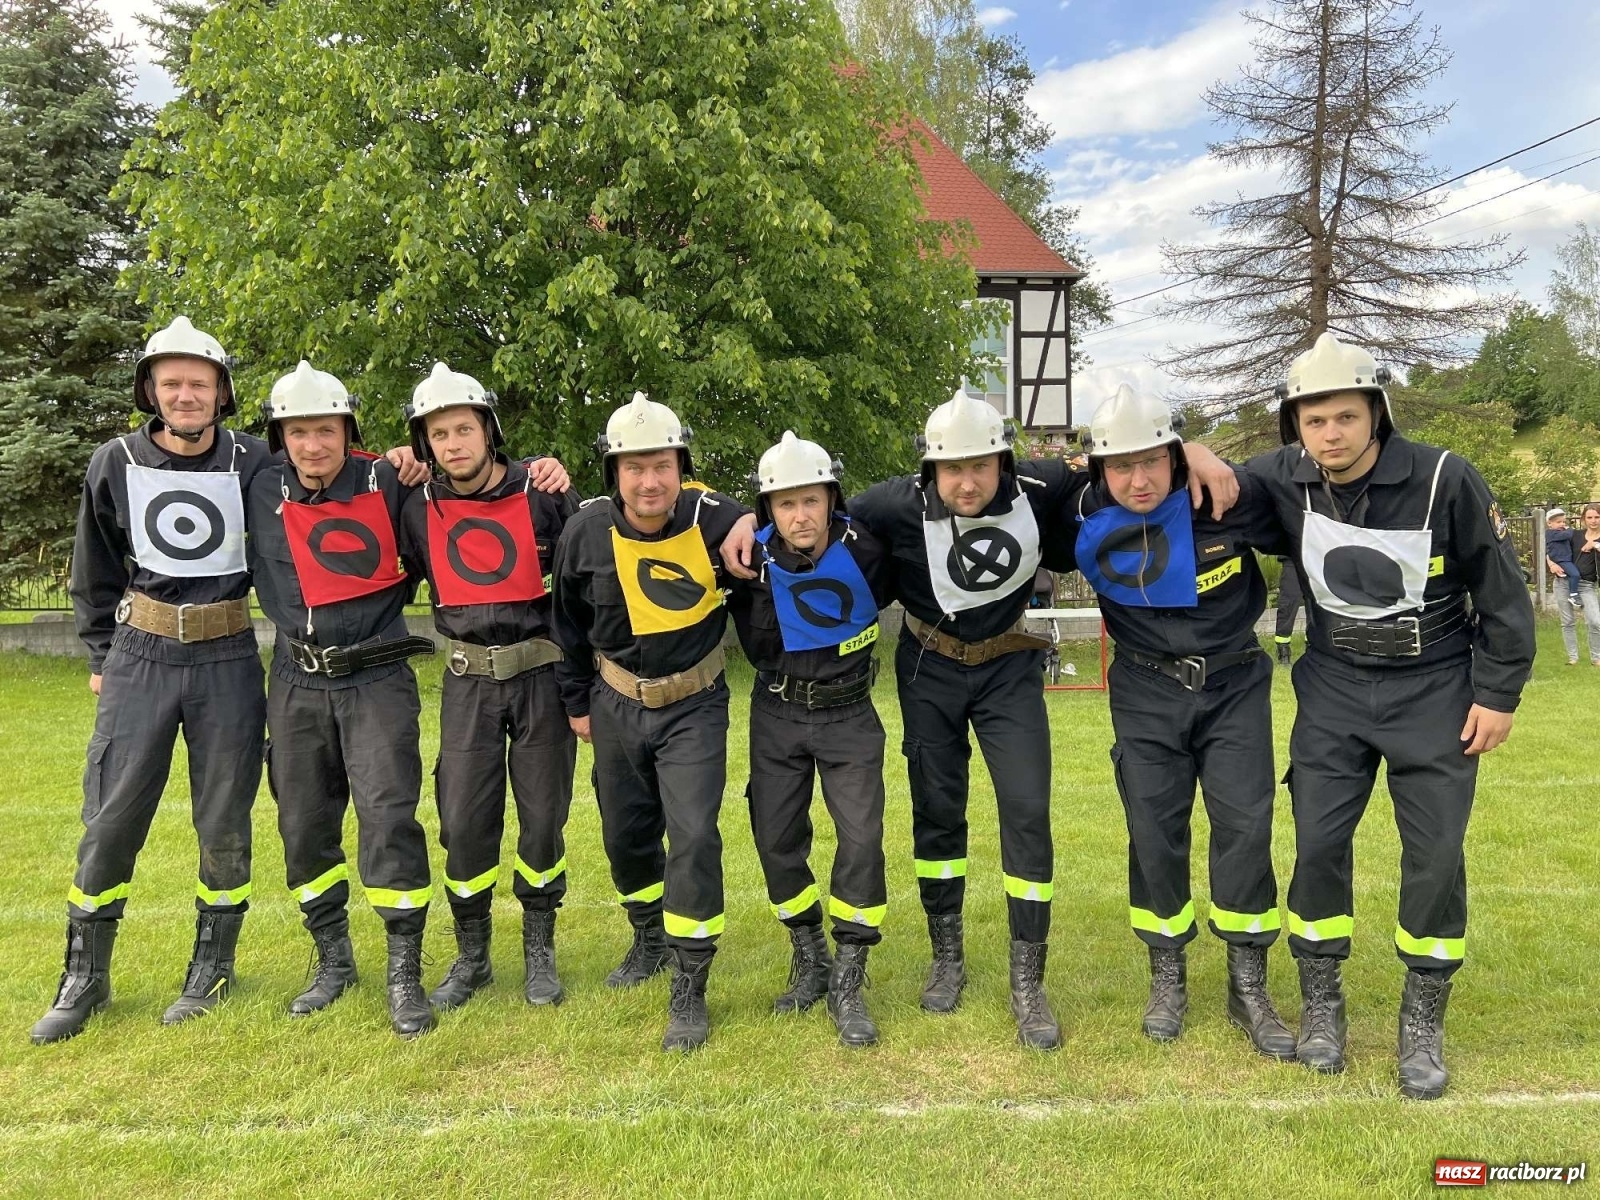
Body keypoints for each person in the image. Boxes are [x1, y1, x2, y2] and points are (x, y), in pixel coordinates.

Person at [722, 389, 1239, 1050]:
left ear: (1003, 460)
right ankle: (948, 957)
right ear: (930, 471)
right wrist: (744, 520)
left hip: (1008, 670)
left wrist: (1189, 449)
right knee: (939, 811)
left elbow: (1118, 465)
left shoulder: (1040, 483)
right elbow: (807, 507)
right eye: (951, 469)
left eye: (980, 466)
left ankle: (1030, 980)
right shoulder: (892, 503)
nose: (966, 483)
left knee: (1027, 810)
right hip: (929, 668)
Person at [1240, 332, 1536, 1099]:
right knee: (1317, 844)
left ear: (1377, 412)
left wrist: (1497, 694)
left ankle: (1422, 1020)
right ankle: (1322, 1007)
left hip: (1435, 687)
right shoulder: (1284, 479)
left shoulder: (1446, 478)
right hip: (1334, 687)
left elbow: (1502, 594)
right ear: (1294, 428)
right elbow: (1210, 487)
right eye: (1312, 421)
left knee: (1436, 854)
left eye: (1344, 416)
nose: (1329, 434)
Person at [34, 317, 270, 1045]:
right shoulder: (115, 460)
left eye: (198, 383)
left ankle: (212, 966)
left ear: (221, 392)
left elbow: (329, 475)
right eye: (171, 383)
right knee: (111, 815)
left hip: (228, 653)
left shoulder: (252, 460)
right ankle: (85, 974)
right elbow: (94, 562)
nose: (185, 394)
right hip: (141, 652)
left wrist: (401, 461)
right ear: (151, 390)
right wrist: (103, 655)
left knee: (224, 817)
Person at [1073, 384, 1297, 1059]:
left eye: (1153, 461)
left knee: (1245, 827)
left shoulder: (1224, 494)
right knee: (1153, 831)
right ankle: (1166, 972)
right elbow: (989, 481)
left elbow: (1304, 487)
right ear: (1098, 470)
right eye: (1120, 466)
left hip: (1232, 684)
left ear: (1176, 457)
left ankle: (1247, 982)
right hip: (1144, 689)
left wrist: (1204, 450)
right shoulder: (1079, 506)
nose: (1137, 481)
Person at [551, 392, 750, 1052]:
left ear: (681, 467)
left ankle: (690, 985)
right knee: (624, 835)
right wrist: (577, 702)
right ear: (615, 473)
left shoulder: (711, 516)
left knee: (693, 835)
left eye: (661, 465)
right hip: (613, 703)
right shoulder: (583, 532)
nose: (649, 481)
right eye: (634, 467)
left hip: (694, 703)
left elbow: (765, 520)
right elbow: (569, 625)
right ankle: (648, 937)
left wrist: (751, 523)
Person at [249, 361, 440, 1038]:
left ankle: (403, 971)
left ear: (346, 430)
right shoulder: (255, 481)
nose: (312, 445)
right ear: (280, 437)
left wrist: (542, 467)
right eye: (297, 432)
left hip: (376, 677)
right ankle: (333, 961)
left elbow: (474, 473)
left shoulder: (389, 480)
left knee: (389, 819)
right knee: (301, 824)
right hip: (296, 680)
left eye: (325, 430)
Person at [397, 364, 577, 1010]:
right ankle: (472, 956)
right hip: (469, 681)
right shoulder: (415, 504)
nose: (453, 444)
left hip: (540, 678)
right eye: (438, 434)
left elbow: (585, 575)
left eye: (463, 429)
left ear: (488, 430)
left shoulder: (544, 492)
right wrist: (386, 462)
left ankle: (539, 950)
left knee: (541, 821)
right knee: (465, 822)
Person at [725, 432, 894, 1047]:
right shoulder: (745, 560)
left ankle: (849, 974)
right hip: (776, 714)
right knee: (775, 839)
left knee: (862, 839)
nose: (800, 516)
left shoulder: (871, 550)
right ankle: (809, 954)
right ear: (767, 509)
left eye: (812, 501)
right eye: (784, 503)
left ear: (831, 500)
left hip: (850, 715)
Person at [1274, 557, 1303, 666]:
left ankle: (1312, 647)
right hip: (1291, 559)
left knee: (1315, 605)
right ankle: (1283, 651)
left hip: (1315, 558)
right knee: (1288, 604)